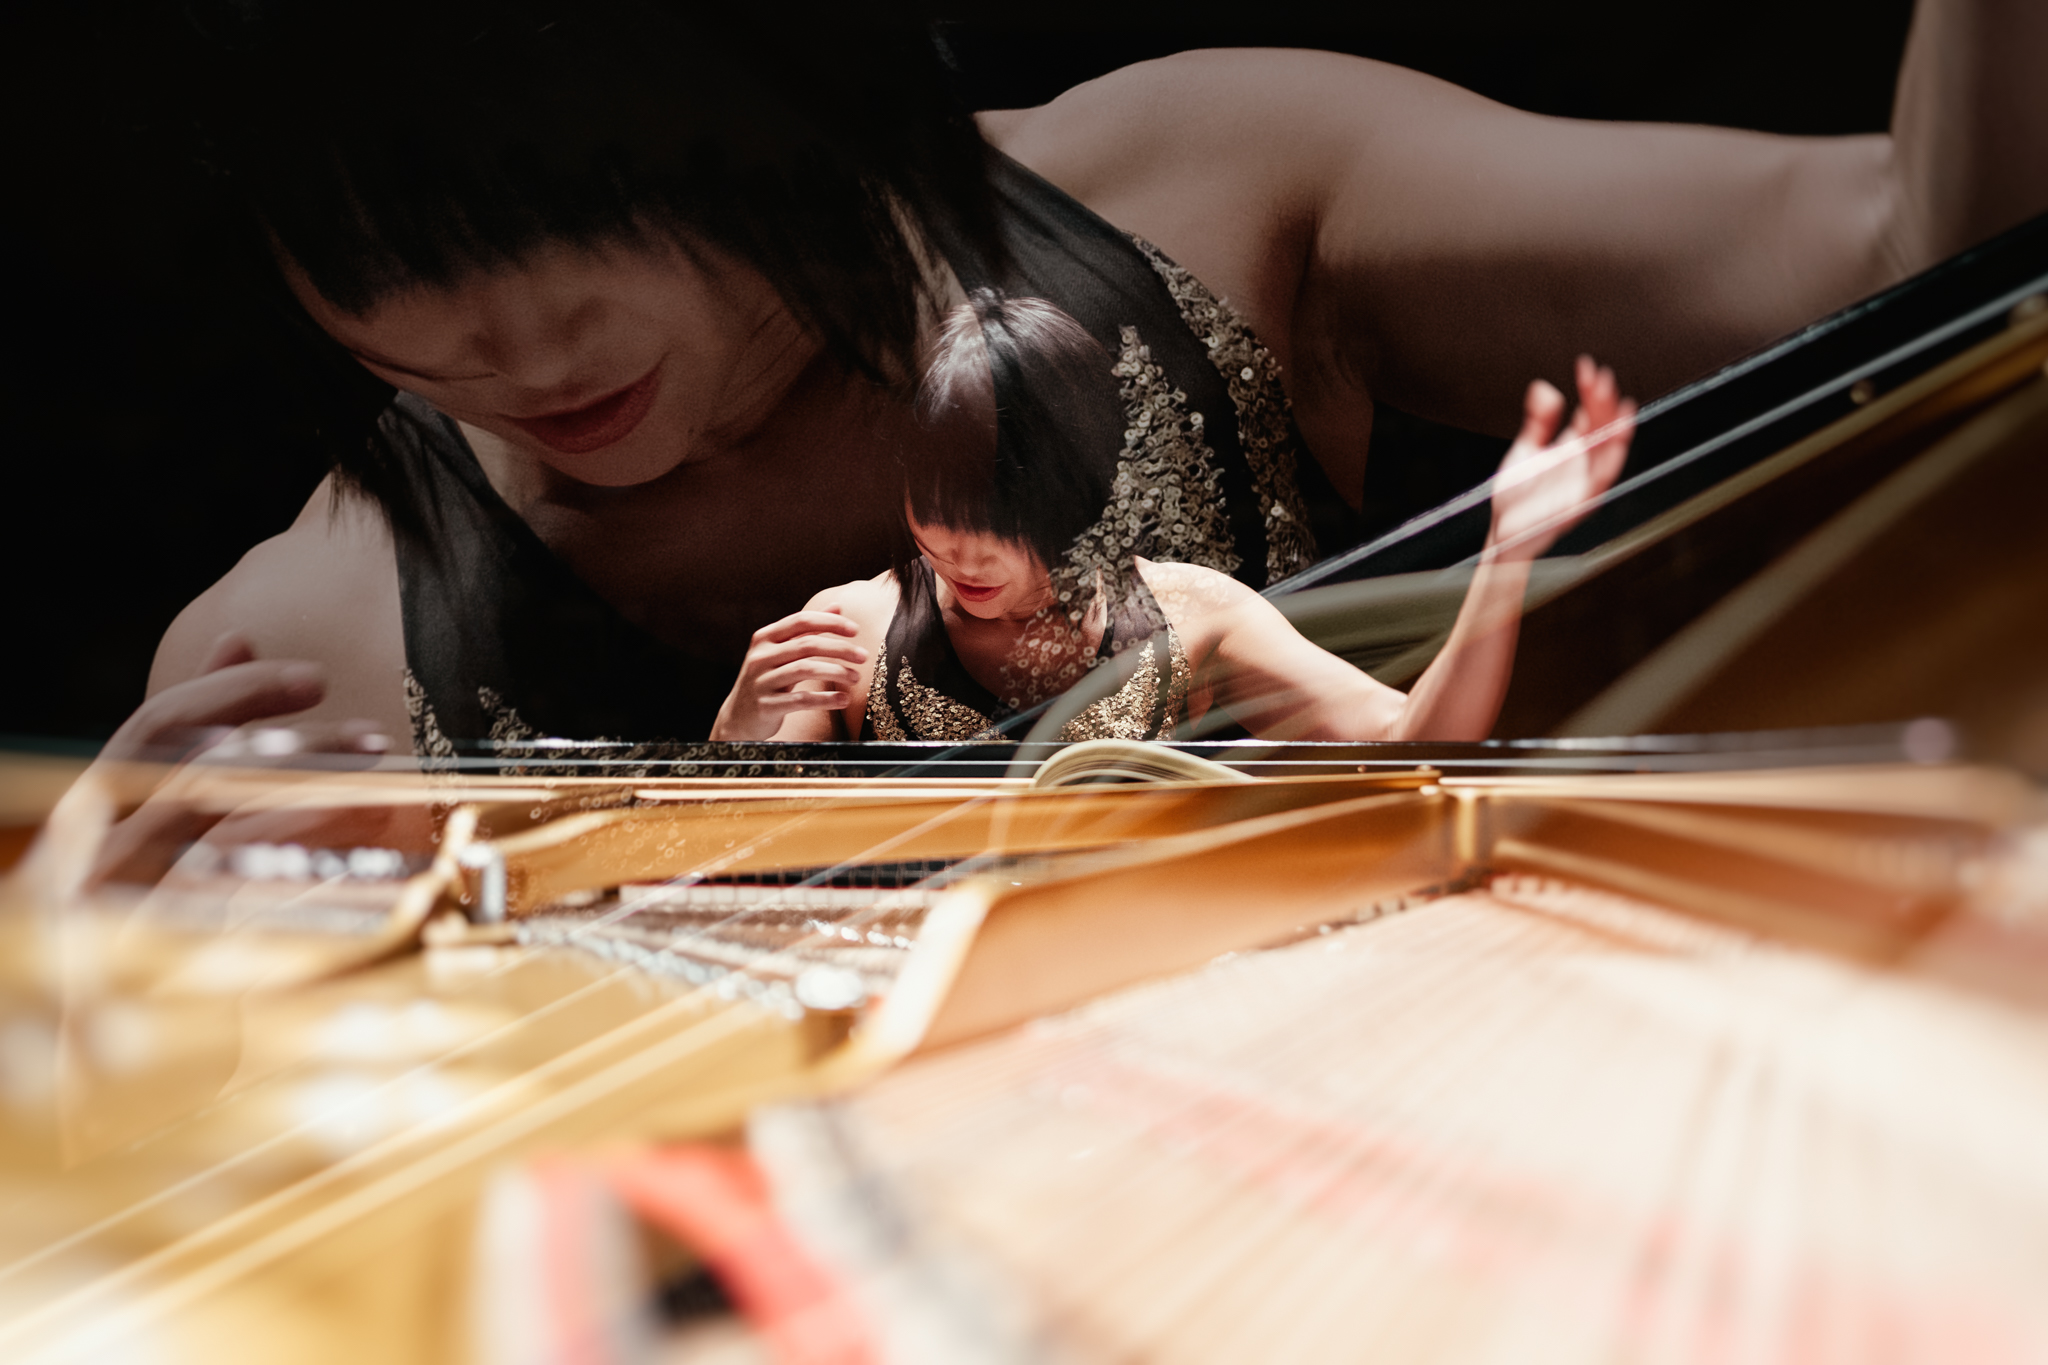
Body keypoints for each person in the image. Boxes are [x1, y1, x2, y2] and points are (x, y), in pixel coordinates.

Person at [123, 0, 2048, 767]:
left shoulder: (1204, 189)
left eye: (582, 208)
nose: (514, 346)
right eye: (387, 260)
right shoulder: (312, 646)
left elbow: (1934, 262)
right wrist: (76, 1013)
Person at [712, 294, 1633, 743]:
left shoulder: (1193, 618)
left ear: (1076, 493)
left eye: (995, 517)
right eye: (933, 509)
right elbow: (734, 868)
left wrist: (1505, 555)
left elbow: (1409, 744)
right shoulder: (854, 628)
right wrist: (740, 726)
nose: (955, 548)